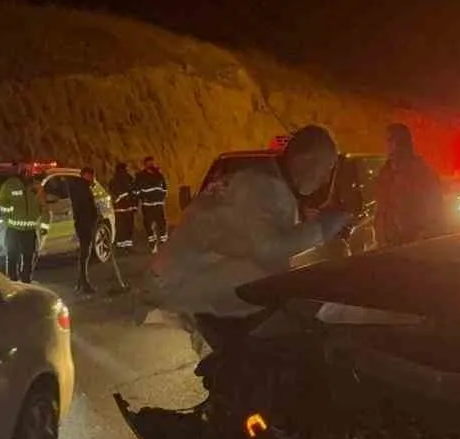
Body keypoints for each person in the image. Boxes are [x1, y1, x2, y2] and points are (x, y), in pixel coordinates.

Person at [143, 124, 351, 351]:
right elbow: (266, 250)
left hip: (196, 287)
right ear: (304, 160)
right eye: (326, 169)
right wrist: (321, 229)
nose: (325, 180)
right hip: (201, 294)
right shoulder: (262, 186)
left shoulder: (265, 182)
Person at [374, 122, 442, 247]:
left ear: (402, 142)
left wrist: (424, 234)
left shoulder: (419, 171)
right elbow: (382, 205)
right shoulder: (386, 171)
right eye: (387, 141)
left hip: (413, 241)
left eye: (391, 140)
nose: (388, 145)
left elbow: (434, 204)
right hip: (388, 242)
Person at [0, 167, 47, 283]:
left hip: (30, 229)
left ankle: (26, 279)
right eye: (25, 170)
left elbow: (44, 207)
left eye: (30, 171)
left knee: (29, 256)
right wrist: (9, 217)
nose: (28, 173)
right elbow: (3, 203)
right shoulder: (10, 185)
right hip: (13, 228)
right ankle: (12, 281)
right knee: (12, 255)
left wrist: (44, 226)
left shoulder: (37, 186)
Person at [65, 166, 102, 294]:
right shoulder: (83, 188)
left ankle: (82, 281)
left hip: (84, 223)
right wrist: (95, 216)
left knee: (85, 253)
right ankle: (83, 282)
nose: (93, 178)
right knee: (85, 253)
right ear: (86, 175)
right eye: (92, 175)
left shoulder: (82, 188)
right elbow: (86, 207)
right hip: (84, 224)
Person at [133, 156, 168, 252]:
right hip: (148, 205)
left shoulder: (159, 174)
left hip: (158, 204)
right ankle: (153, 245)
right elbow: (136, 191)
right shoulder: (140, 176)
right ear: (145, 165)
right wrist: (142, 198)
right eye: (149, 163)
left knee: (162, 224)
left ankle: (164, 244)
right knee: (149, 226)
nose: (151, 165)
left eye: (152, 163)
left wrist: (162, 197)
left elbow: (164, 187)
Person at [109, 161, 138, 251]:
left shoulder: (127, 179)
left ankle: (125, 246)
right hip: (122, 208)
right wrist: (134, 205)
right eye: (125, 169)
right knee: (124, 228)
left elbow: (134, 193)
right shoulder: (116, 181)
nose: (126, 171)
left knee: (125, 228)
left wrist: (134, 205)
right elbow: (115, 195)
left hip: (124, 208)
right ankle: (123, 247)